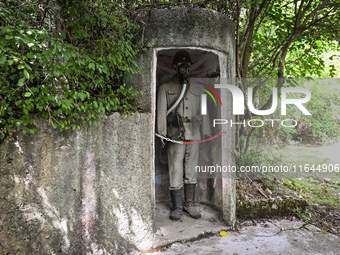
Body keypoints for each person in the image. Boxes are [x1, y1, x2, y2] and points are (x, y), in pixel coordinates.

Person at [157, 50, 211, 220]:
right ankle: (177, 207)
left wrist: (205, 128)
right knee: (175, 170)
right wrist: (162, 135)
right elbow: (161, 112)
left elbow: (204, 112)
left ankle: (189, 204)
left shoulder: (197, 88)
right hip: (175, 135)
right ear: (175, 66)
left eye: (187, 65)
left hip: (194, 135)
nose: (184, 68)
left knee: (191, 170)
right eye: (181, 65)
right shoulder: (166, 87)